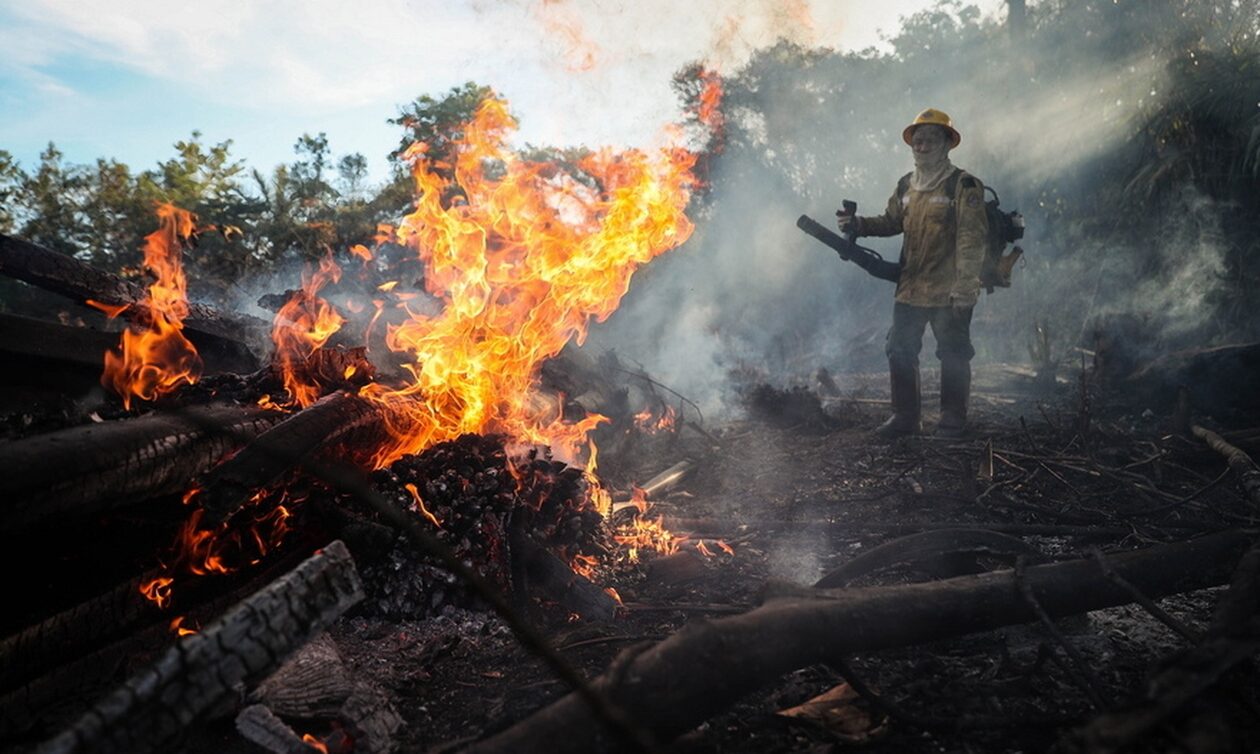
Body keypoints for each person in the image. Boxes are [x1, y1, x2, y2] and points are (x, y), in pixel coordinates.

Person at [837, 108, 988, 438]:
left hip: (949, 289)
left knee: (953, 352)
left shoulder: (962, 185)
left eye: (930, 140)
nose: (922, 146)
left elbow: (971, 239)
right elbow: (892, 222)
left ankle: (952, 420)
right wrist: (859, 225)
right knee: (900, 350)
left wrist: (966, 286)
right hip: (910, 288)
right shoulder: (907, 185)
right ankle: (905, 418)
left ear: (947, 143)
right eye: (917, 141)